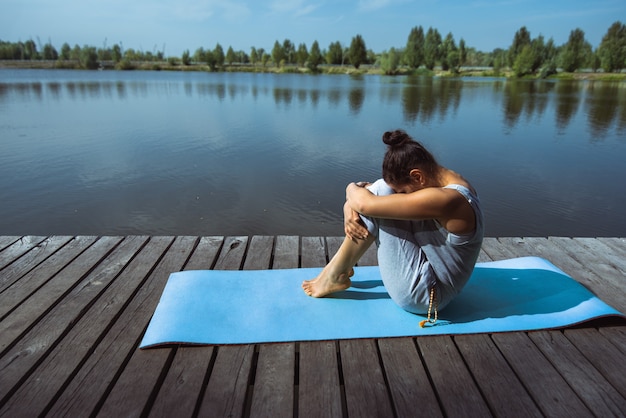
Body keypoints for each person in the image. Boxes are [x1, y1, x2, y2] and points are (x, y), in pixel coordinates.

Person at [302, 129, 484, 321]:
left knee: (380, 193)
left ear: (418, 177)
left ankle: (335, 273)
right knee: (382, 189)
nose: (403, 195)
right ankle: (337, 270)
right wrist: (352, 203)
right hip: (428, 269)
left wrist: (350, 190)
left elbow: (366, 203)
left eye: (404, 191)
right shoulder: (447, 179)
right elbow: (368, 198)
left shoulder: (448, 200)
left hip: (426, 297)